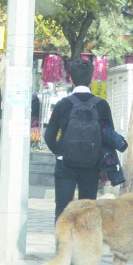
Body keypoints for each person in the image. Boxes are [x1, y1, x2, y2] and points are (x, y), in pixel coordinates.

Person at [44, 59, 114, 221]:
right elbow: (109, 137)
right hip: (92, 165)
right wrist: (105, 166)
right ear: (91, 79)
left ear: (71, 79)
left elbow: (49, 136)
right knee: (87, 210)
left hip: (65, 164)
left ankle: (62, 237)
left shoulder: (63, 104)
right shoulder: (101, 105)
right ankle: (85, 237)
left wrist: (60, 152)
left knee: (63, 209)